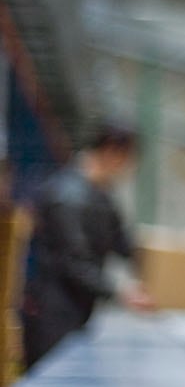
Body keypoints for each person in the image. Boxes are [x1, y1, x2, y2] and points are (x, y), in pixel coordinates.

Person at [20, 123, 156, 370]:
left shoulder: (100, 196)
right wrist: (122, 293)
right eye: (129, 159)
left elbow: (122, 241)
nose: (130, 169)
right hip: (53, 314)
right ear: (113, 152)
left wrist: (152, 270)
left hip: (79, 310)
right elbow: (74, 262)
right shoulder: (67, 196)